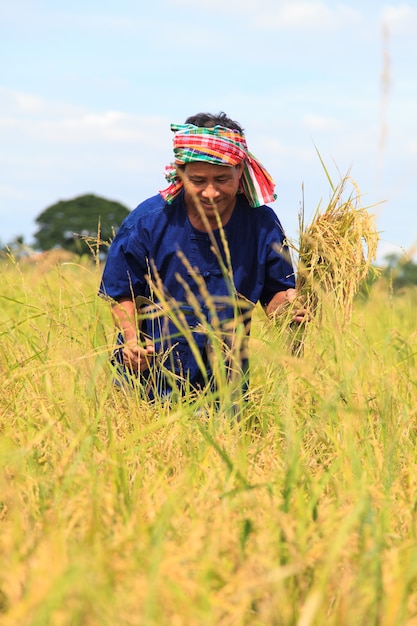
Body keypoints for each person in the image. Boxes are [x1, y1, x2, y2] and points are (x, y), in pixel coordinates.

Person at [100, 112, 303, 400]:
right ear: (180, 174)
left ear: (240, 172)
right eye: (198, 180)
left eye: (222, 179)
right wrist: (131, 342)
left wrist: (290, 308)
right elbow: (122, 292)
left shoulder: (262, 224)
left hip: (225, 381)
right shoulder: (148, 221)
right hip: (150, 379)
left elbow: (276, 294)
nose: (210, 192)